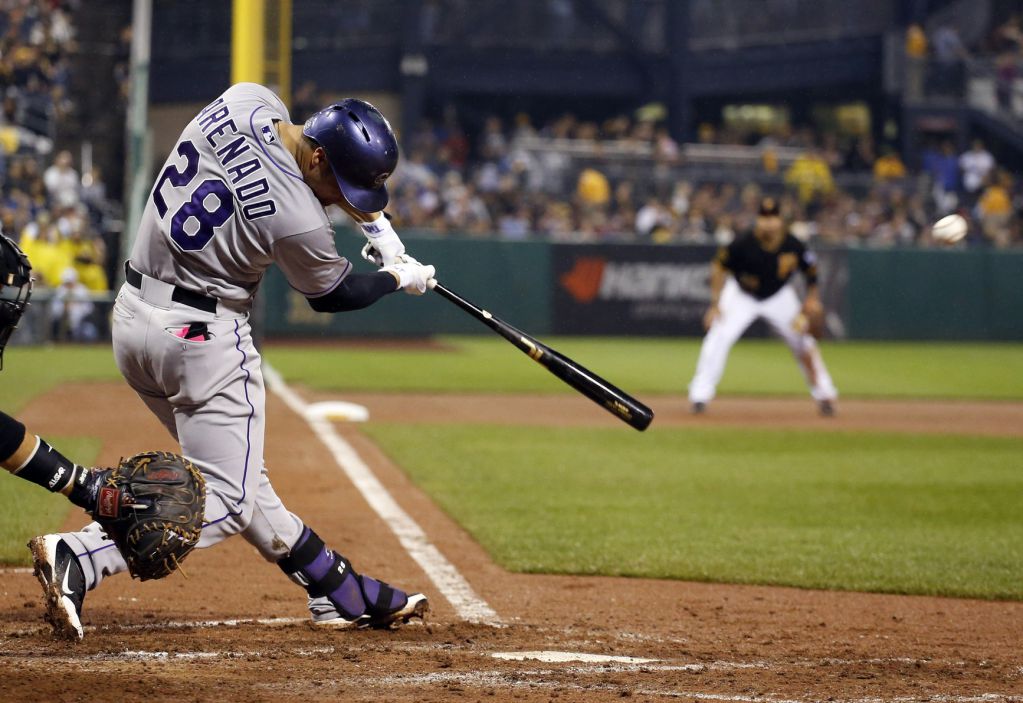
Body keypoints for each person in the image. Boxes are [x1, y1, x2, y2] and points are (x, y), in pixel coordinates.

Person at [29, 84, 436, 641]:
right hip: (202, 339)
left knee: (240, 480)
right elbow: (331, 295)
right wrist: (396, 276)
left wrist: (378, 228)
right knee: (226, 498)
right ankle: (82, 556)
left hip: (133, 320)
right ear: (318, 157)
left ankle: (334, 588)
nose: (338, 200)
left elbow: (293, 170)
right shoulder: (300, 219)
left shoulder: (248, 100)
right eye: (336, 186)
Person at [688, 197, 838, 416]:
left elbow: (811, 270)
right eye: (764, 217)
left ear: (781, 221)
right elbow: (719, 268)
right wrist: (715, 305)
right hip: (741, 295)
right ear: (758, 220)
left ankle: (825, 394)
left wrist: (812, 298)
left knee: (804, 342)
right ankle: (699, 395)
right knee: (718, 336)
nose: (768, 222)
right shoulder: (743, 243)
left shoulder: (793, 244)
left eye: (773, 217)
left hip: (779, 296)